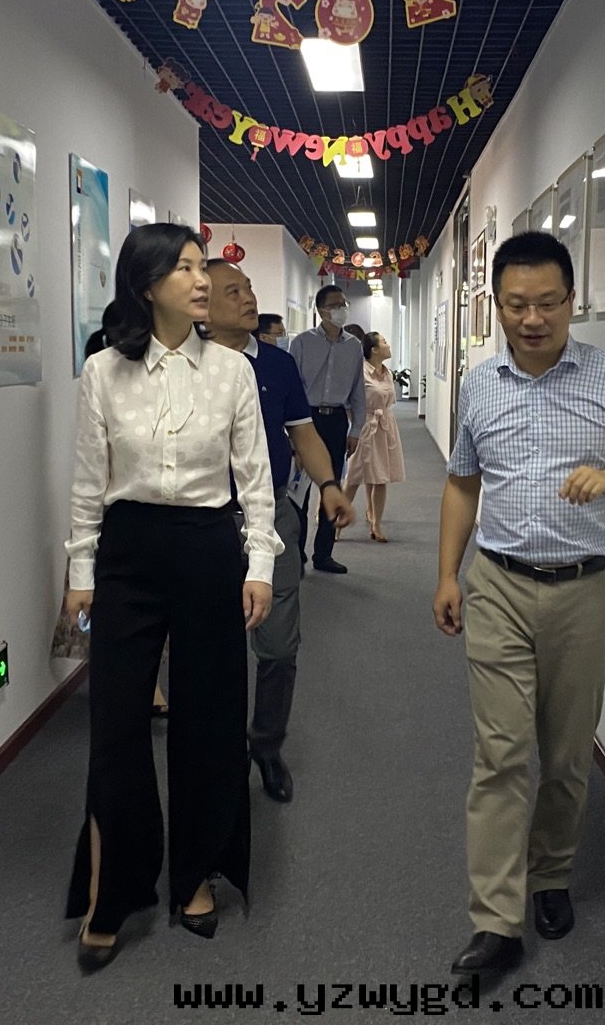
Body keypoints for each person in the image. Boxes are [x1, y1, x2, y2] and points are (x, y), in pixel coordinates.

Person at [432, 231, 605, 976]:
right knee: (500, 754)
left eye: (546, 303)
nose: (531, 319)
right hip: (499, 583)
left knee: (566, 755)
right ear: (497, 305)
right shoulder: (481, 384)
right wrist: (448, 575)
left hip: (585, 590)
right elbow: (462, 482)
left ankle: (552, 874)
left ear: (572, 300)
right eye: (515, 305)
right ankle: (496, 920)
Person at [63, 223, 281, 970]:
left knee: (209, 718)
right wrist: (80, 574)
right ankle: (115, 887)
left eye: (200, 266)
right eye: (184, 268)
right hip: (128, 554)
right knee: (116, 724)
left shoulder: (232, 370)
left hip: (207, 547)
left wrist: (260, 565)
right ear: (146, 283)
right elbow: (88, 482)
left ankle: (195, 874)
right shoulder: (103, 371)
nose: (201, 279)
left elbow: (255, 480)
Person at [203, 259, 355, 803]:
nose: (248, 298)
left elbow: (303, 433)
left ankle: (267, 745)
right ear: (201, 304)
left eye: (248, 288)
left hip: (272, 517)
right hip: (205, 526)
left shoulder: (277, 363)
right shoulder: (184, 365)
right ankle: (216, 751)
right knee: (211, 646)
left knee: (279, 645)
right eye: (233, 291)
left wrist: (329, 484)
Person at [79, 310, 169, 719]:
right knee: (119, 615)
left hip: (148, 515)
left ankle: (150, 685)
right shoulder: (101, 368)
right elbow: (92, 467)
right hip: (116, 512)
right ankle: (135, 685)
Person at [289, 285, 365, 574]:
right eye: (335, 305)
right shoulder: (302, 343)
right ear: (321, 311)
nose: (341, 309)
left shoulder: (353, 346)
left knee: (331, 486)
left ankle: (324, 554)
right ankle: (296, 555)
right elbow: (292, 387)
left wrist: (355, 430)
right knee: (299, 491)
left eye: (344, 304)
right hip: (305, 418)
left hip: (336, 420)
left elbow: (358, 391)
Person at [343, 332, 405, 542]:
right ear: (374, 349)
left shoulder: (387, 373)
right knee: (353, 477)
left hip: (385, 426)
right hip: (365, 427)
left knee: (381, 478)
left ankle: (376, 524)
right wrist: (355, 424)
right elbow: (348, 401)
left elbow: (389, 401)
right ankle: (336, 525)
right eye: (384, 342)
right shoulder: (359, 372)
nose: (389, 345)